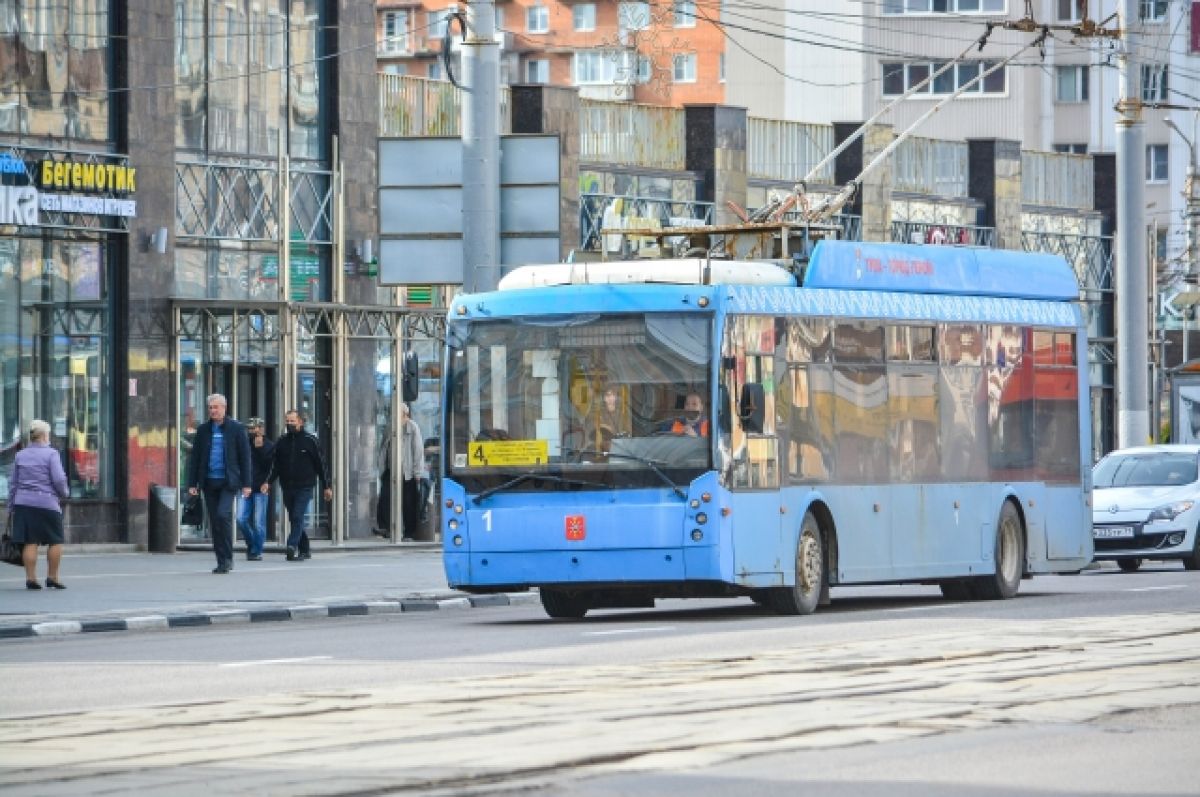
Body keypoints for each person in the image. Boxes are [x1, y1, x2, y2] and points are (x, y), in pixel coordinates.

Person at [186, 394, 253, 574]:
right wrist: (192, 483)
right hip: (209, 482)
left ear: (224, 408)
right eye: (210, 407)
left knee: (223, 515)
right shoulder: (203, 430)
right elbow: (195, 458)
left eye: (216, 407)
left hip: (228, 482)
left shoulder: (237, 429)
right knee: (215, 521)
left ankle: (228, 557)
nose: (213, 411)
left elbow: (245, 458)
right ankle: (221, 560)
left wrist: (247, 484)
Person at [7, 420, 70, 590]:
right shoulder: (51, 454)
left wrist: (11, 505)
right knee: (55, 540)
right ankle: (52, 577)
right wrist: (64, 493)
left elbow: (13, 483)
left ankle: (31, 578)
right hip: (47, 503)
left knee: (30, 541)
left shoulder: (20, 455)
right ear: (44, 435)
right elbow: (58, 479)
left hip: (23, 503)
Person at [262, 409, 332, 561]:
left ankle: (291, 546)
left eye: (292, 421)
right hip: (287, 486)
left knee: (297, 515)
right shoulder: (282, 441)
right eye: (287, 421)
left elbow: (321, 465)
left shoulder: (310, 440)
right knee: (295, 519)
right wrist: (267, 482)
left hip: (305, 486)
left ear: (301, 421)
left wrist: (327, 486)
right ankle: (305, 549)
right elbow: (275, 465)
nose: (289, 424)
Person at [377, 403, 425, 540]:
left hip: (407, 472)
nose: (394, 417)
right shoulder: (389, 428)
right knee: (385, 499)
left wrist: (417, 472)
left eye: (398, 414)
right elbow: (383, 450)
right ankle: (385, 527)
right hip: (390, 470)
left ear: (405, 415)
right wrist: (381, 470)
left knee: (409, 503)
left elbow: (418, 450)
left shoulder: (412, 427)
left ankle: (409, 532)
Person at [237, 417, 273, 561]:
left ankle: (256, 551)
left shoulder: (269, 445)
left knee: (259, 522)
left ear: (261, 429)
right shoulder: (245, 444)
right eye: (250, 428)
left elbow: (270, 466)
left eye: (255, 428)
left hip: (261, 488)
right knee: (241, 519)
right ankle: (252, 543)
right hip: (246, 486)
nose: (252, 431)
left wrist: (261, 449)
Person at [589, 384, 630, 451]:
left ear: (616, 397)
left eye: (613, 395)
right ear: (604, 398)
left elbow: (628, 432)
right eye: (608, 395)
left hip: (620, 447)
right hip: (602, 448)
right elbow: (593, 434)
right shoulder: (598, 414)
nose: (611, 398)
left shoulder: (623, 414)